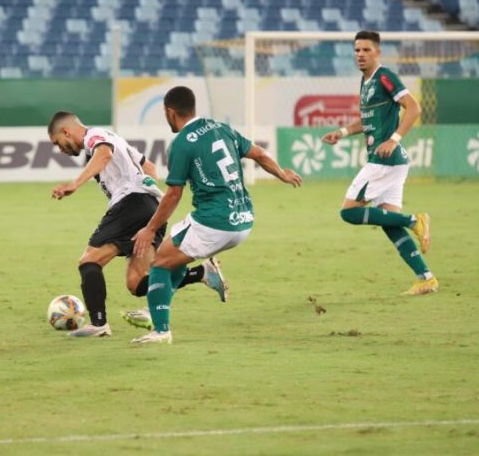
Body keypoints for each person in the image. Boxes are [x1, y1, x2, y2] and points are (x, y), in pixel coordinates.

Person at [130, 86, 303, 344]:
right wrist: (281, 173)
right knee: (173, 256)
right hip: (244, 219)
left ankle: (161, 329)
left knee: (159, 265)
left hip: (215, 221)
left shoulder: (181, 144)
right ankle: (158, 303)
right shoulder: (220, 127)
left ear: (170, 112)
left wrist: (150, 229)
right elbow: (258, 153)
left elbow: (173, 195)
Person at [48, 111, 228, 338]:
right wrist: (147, 193)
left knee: (89, 261)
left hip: (131, 204)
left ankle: (98, 323)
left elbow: (103, 154)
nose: (60, 149)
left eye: (58, 143)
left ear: (66, 131)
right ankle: (202, 272)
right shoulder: (114, 137)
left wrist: (75, 184)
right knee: (136, 283)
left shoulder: (93, 137)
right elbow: (150, 167)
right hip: (152, 207)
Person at [321, 30, 438, 296]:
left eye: (366, 50)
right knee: (389, 223)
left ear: (378, 52)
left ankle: (415, 220)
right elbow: (367, 121)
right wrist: (340, 133)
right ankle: (426, 278)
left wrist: (394, 139)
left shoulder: (386, 76)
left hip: (385, 160)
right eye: (357, 50)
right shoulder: (366, 82)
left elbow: (414, 107)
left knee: (348, 212)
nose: (360, 55)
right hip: (392, 163)